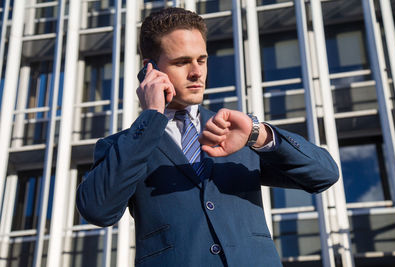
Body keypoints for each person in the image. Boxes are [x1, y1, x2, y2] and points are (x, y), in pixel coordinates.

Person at [76, 7, 339, 267]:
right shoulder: (124, 146)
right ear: (150, 70)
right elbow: (98, 210)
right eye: (182, 62)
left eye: (201, 60)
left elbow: (324, 174)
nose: (196, 73)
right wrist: (152, 116)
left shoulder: (235, 129)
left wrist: (258, 134)